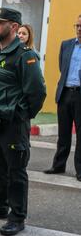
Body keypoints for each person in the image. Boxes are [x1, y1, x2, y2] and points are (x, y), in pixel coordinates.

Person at [0, 8, 46, 236]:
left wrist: (20, 114)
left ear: (14, 27)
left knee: (16, 171)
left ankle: (17, 216)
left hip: (13, 124)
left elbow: (37, 92)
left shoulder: (25, 55)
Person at [43, 15, 81, 180]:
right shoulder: (66, 45)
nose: (79, 29)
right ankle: (58, 165)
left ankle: (80, 170)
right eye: (77, 25)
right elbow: (62, 67)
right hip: (65, 93)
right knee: (63, 133)